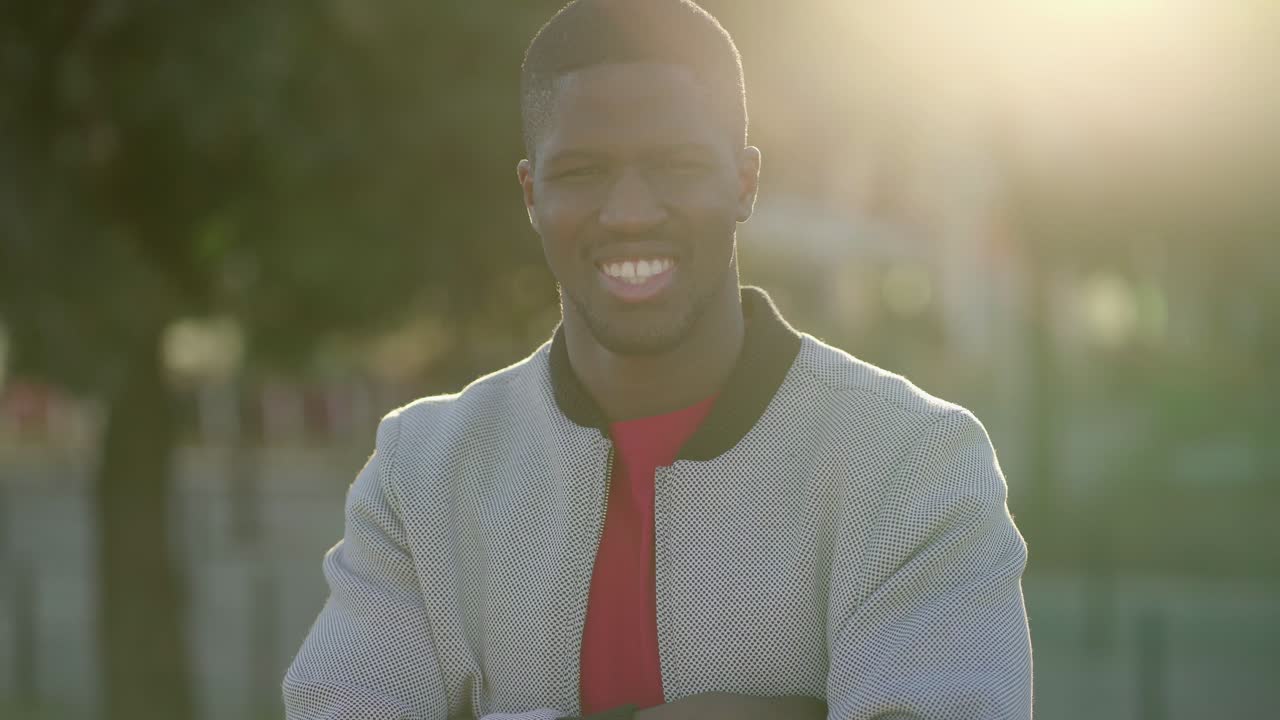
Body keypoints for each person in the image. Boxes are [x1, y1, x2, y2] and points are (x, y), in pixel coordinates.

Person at [283, 1, 1033, 718]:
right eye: (582, 172)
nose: (631, 212)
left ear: (744, 182)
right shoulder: (420, 477)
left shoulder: (914, 465)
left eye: (675, 165)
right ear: (531, 193)